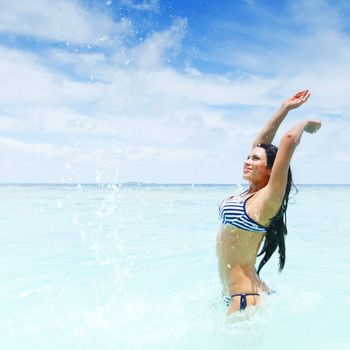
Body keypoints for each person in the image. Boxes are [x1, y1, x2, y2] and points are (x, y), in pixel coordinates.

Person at [216, 90, 321, 315]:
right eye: (248, 156)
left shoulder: (268, 198)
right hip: (234, 294)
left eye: (254, 159)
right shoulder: (248, 194)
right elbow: (260, 144)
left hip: (244, 298)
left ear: (270, 170)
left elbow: (289, 140)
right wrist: (285, 108)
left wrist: (304, 122)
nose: (247, 161)